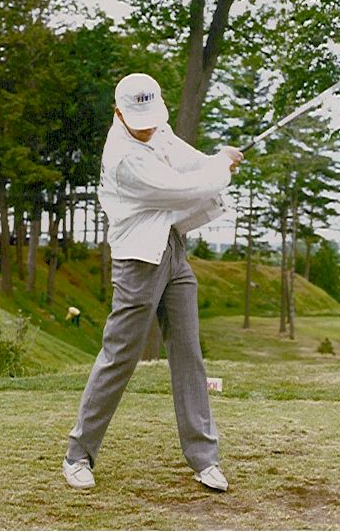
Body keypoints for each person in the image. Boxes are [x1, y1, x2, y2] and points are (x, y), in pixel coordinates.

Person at [63, 73, 243, 491]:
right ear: (118, 113)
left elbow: (186, 160)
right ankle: (78, 455)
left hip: (172, 249)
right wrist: (220, 168)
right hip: (138, 260)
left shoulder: (156, 128)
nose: (147, 128)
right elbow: (182, 189)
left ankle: (204, 458)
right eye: (138, 121)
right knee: (120, 357)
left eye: (151, 119)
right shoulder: (123, 158)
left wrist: (216, 158)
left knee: (188, 353)